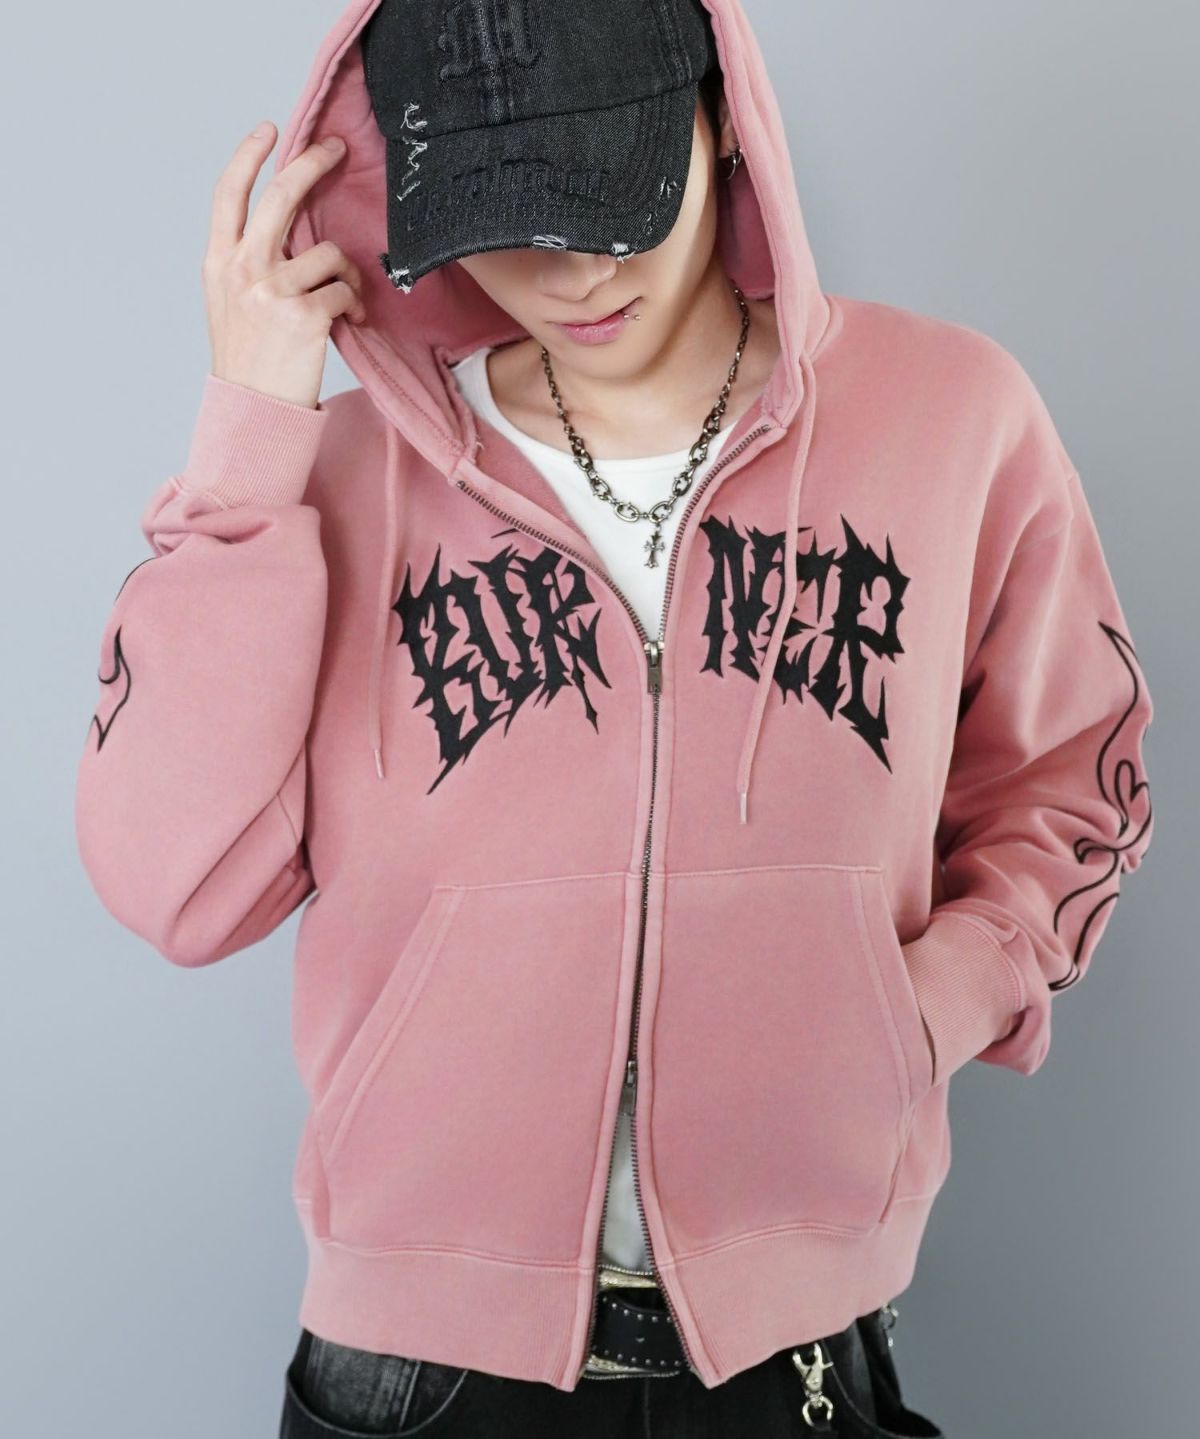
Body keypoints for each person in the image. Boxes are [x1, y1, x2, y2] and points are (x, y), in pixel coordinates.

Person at [74, 0, 1155, 1434]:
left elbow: (1073, 781)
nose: (570, 272)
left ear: (721, 121)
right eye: (506, 219)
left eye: (608, 199)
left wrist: (930, 1003)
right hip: (416, 1378)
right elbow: (179, 884)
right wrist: (247, 438)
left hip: (794, 1361)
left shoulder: (954, 419)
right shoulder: (332, 482)